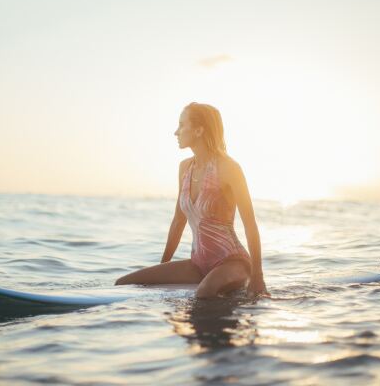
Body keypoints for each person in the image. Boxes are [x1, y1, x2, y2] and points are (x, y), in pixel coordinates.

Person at [115, 102, 268, 298]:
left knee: (203, 294)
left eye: (181, 125)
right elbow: (178, 221)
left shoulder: (229, 168)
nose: (176, 132)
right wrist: (163, 269)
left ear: (198, 130)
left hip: (232, 263)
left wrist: (257, 276)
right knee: (123, 283)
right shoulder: (185, 168)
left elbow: (250, 224)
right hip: (198, 264)